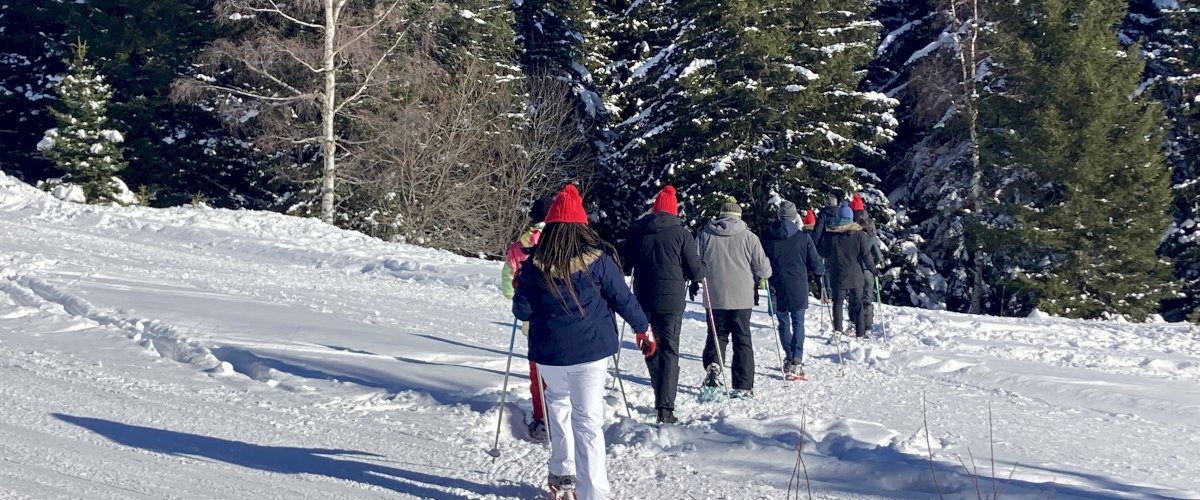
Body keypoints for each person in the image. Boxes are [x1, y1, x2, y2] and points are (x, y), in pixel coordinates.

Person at [513, 184, 653, 500]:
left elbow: (521, 309)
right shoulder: (599, 261)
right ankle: (594, 494)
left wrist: (524, 288)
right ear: (581, 227)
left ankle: (562, 475)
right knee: (588, 423)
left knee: (559, 410)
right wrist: (642, 328)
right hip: (590, 353)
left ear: (551, 227)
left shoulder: (534, 265)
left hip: (550, 355)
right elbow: (623, 298)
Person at [622, 185, 706, 424]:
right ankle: (665, 407)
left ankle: (660, 396)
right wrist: (704, 267)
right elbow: (694, 269)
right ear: (673, 211)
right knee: (669, 350)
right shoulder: (681, 233)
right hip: (671, 300)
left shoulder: (638, 231)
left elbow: (625, 264)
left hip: (643, 299)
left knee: (651, 346)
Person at [695, 196, 771, 399]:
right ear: (739, 215)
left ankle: (713, 366)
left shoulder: (705, 235)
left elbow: (694, 262)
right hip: (742, 297)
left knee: (716, 334)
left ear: (720, 215)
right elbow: (764, 270)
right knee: (742, 338)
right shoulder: (749, 237)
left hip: (714, 295)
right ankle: (743, 384)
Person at [500, 193, 555, 442]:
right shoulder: (562, 242)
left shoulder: (520, 246)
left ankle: (541, 418)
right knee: (564, 371)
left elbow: (507, 284)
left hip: (531, 321)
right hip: (561, 319)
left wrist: (517, 302)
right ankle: (562, 417)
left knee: (538, 373)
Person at [762, 201, 823, 378]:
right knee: (798, 322)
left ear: (779, 216)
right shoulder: (803, 237)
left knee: (783, 322)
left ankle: (789, 357)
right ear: (794, 216)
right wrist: (820, 277)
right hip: (798, 285)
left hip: (777, 284)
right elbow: (815, 262)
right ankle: (797, 358)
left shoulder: (768, 237)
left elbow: (761, 260)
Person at [819, 203, 876, 338]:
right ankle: (860, 332)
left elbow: (823, 252)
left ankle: (838, 331)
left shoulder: (831, 235)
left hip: (837, 274)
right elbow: (866, 255)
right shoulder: (859, 235)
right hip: (856, 275)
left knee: (838, 303)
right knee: (857, 304)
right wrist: (873, 270)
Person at [854, 210, 885, 335]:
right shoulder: (870, 236)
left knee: (855, 298)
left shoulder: (853, 235)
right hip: (868, 271)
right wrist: (874, 264)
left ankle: (856, 323)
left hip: (855, 270)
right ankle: (868, 326)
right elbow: (878, 254)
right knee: (867, 298)